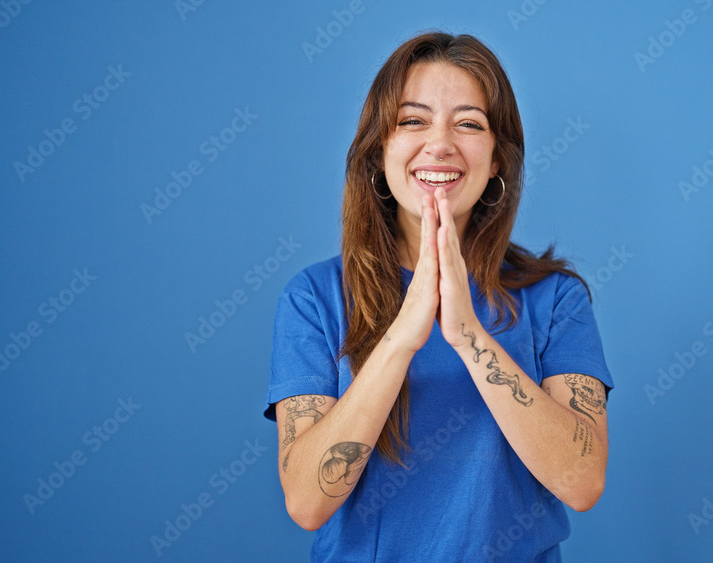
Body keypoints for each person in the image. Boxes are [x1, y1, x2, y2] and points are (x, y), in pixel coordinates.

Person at [263, 31, 613, 562]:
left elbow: (582, 483)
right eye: (412, 120)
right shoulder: (314, 299)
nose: (441, 143)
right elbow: (307, 502)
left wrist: (468, 335)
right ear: (379, 150)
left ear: (496, 160)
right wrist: (402, 337)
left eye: (469, 123)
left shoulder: (556, 299)